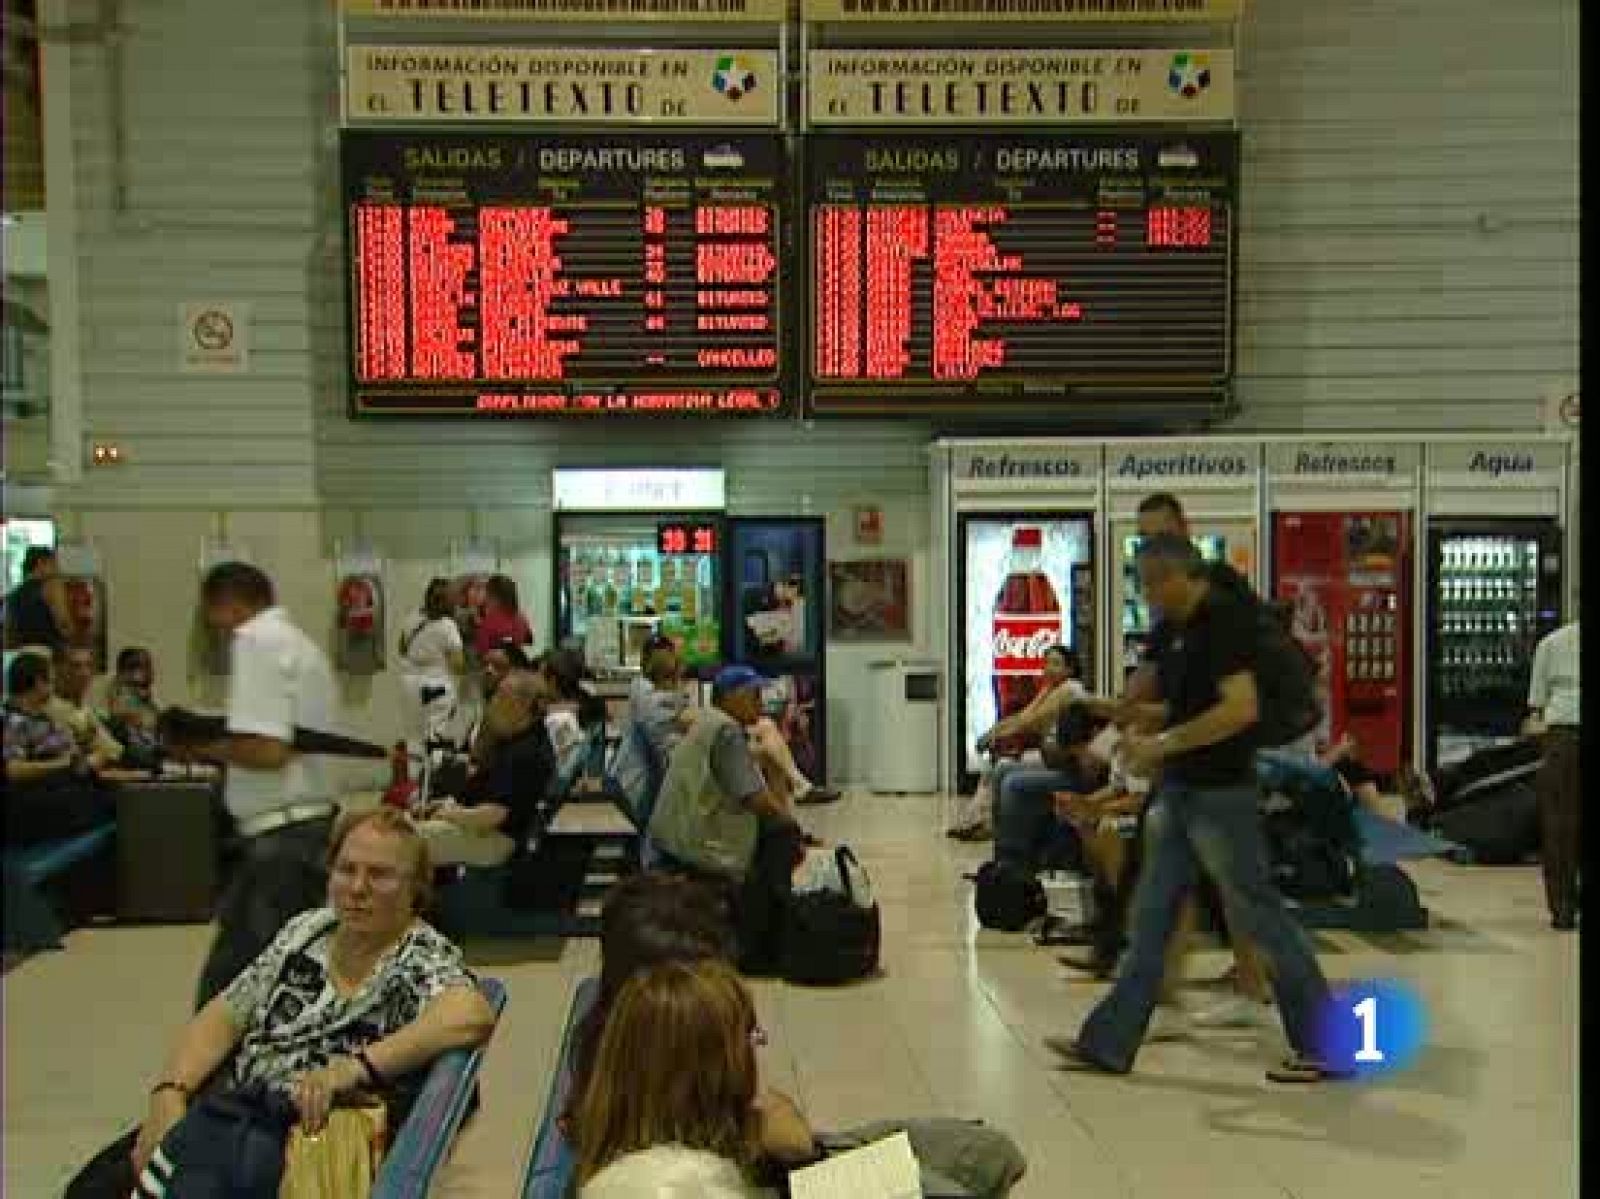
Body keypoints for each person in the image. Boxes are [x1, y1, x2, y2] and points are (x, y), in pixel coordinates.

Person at [63, 809, 498, 1199]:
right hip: (231, 1115)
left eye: (380, 875)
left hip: (297, 1143)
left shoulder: (419, 955)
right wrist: (169, 1095)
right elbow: (224, 1015)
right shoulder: (307, 930)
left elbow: (470, 1014)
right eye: (346, 870)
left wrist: (355, 1068)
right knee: (94, 1186)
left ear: (416, 889)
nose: (357, 888)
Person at [1051, 535, 1343, 1084]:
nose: (1147, 596)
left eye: (1148, 583)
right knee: (1153, 918)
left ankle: (1324, 1041)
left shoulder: (1222, 623)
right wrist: (1128, 721)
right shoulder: (1183, 632)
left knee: (1261, 917)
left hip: (1222, 794)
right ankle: (1109, 1042)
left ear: (1171, 577)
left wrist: (1162, 745)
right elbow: (1183, 707)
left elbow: (1239, 709)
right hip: (1183, 792)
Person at [567, 872, 1027, 1199]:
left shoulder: (638, 1040)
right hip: (776, 1175)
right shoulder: (637, 1081)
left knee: (988, 1153)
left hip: (780, 1156)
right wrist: (788, 1144)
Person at [183, 562, 340, 1009]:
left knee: (234, 990)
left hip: (279, 837)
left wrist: (201, 747)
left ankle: (208, 1079)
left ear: (227, 603)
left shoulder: (256, 642)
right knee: (288, 973)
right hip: (306, 827)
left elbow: (268, 750)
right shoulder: (304, 648)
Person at [648, 665, 809, 973]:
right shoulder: (726, 731)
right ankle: (757, 945)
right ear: (732, 697)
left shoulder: (707, 722)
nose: (761, 704)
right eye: (754, 696)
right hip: (700, 843)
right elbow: (753, 797)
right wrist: (793, 826)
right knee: (782, 838)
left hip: (675, 835)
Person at [416, 669, 557, 868]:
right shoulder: (517, 741)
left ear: (522, 705)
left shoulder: (525, 753)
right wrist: (443, 806)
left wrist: (448, 814)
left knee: (405, 842)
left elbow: (493, 815)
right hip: (485, 829)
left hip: (495, 840)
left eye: (501, 697)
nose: (492, 704)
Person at [949, 644, 1087, 842]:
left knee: (1003, 768)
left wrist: (993, 736)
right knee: (996, 767)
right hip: (1050, 755)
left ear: (1070, 669)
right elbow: (1022, 716)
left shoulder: (1070, 689)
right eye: (1046, 663)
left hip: (1065, 762)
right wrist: (993, 732)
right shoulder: (1050, 689)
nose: (1048, 668)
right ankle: (980, 822)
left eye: (1056, 664)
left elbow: (1030, 722)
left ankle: (996, 829)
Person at [4, 651, 116, 845]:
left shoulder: (44, 718)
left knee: (116, 797)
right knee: (106, 804)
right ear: (39, 682)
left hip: (63, 787)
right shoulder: (13, 721)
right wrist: (62, 764)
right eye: (51, 679)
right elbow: (12, 770)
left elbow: (72, 756)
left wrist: (81, 761)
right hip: (30, 804)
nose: (54, 686)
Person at [1526, 618, 1579, 931]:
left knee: (1560, 823)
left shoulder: (1551, 643)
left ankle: (1563, 908)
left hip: (1562, 738)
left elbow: (1537, 705)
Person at [612, 633, 695, 820]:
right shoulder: (649, 696)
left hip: (633, 779)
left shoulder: (645, 686)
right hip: (639, 784)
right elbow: (668, 747)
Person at [397, 577, 466, 752]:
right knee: (435, 737)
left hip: (410, 686)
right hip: (436, 687)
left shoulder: (412, 618)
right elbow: (458, 664)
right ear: (445, 602)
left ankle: (415, 774)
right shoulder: (448, 626)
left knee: (413, 736)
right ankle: (431, 776)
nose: (457, 603)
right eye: (454, 599)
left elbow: (402, 648)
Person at [47, 645, 125, 769]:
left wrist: (100, 755)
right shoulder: (51, 709)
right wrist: (100, 755)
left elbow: (115, 750)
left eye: (89, 666)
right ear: (57, 669)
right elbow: (73, 762)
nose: (85, 673)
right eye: (76, 666)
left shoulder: (84, 709)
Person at [4, 544, 72, 657]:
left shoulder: (13, 595)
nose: (57, 569)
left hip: (21, 655)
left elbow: (8, 632)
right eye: (53, 564)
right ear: (41, 563)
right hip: (48, 652)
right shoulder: (51, 589)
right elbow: (64, 624)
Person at [106, 646, 163, 763]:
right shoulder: (119, 694)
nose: (148, 672)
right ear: (122, 672)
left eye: (148, 666)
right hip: (129, 758)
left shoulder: (151, 699)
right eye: (136, 666)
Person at [473, 574, 533, 661]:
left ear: (494, 597)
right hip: (522, 668)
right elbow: (528, 643)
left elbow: (481, 655)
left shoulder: (489, 623)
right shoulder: (521, 618)